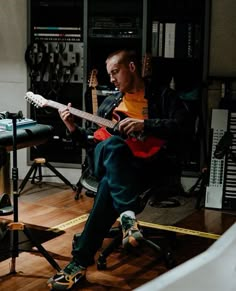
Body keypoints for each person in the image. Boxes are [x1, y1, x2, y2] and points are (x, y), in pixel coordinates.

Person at [47, 49, 192, 290]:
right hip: (114, 163)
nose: (111, 79)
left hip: (149, 166)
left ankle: (79, 262)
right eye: (109, 74)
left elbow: (184, 127)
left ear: (132, 68)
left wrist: (145, 124)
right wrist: (72, 128)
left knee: (108, 185)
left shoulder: (162, 96)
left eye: (115, 72)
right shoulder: (109, 104)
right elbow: (93, 145)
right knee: (112, 144)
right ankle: (127, 215)